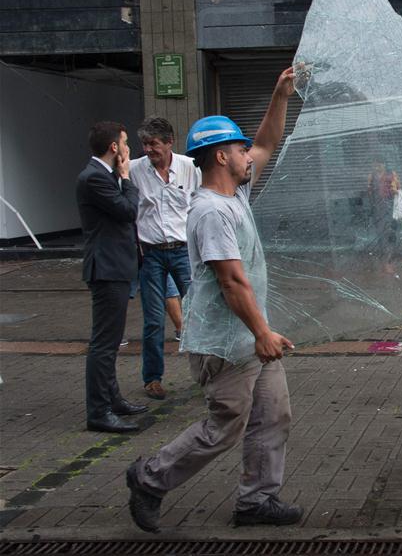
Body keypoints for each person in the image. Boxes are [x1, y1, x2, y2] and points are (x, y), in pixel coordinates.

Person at [126, 66, 302, 533]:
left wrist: (279, 95)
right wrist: (262, 332)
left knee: (274, 414)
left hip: (251, 337)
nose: (251, 155)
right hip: (225, 343)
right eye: (241, 149)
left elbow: (266, 142)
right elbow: (231, 282)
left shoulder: (237, 191)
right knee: (225, 425)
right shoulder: (209, 212)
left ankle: (257, 500)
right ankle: (150, 477)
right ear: (222, 156)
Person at [76, 121, 148, 433]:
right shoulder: (95, 178)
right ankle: (99, 412)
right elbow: (128, 210)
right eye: (126, 142)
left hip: (116, 265)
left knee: (110, 341)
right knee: (104, 344)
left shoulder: (102, 176)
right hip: (106, 268)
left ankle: (113, 399)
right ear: (114, 148)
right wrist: (127, 177)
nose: (129, 149)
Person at [130, 117, 200, 400]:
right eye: (145, 144)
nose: (149, 149)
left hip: (183, 250)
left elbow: (200, 200)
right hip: (152, 253)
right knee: (154, 320)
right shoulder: (134, 170)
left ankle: (207, 371)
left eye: (154, 144)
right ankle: (152, 379)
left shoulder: (189, 166)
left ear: (169, 142)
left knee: (198, 313)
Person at [367, 160, 401, 274]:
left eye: (379, 164)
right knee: (381, 235)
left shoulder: (391, 174)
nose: (377, 166)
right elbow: (369, 191)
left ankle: (390, 262)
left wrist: (391, 191)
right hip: (378, 209)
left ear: (384, 165)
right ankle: (385, 262)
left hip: (390, 208)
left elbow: (398, 189)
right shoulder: (371, 176)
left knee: (391, 234)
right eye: (375, 164)